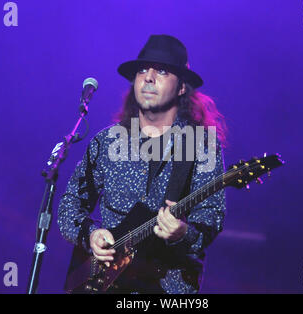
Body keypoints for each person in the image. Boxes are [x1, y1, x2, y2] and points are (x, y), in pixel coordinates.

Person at [57, 34, 227, 294]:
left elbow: (211, 217)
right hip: (103, 285)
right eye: (142, 70)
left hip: (167, 287)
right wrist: (90, 235)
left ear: (182, 87)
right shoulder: (107, 141)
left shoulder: (201, 145)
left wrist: (183, 234)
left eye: (161, 71)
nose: (148, 77)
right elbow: (70, 204)